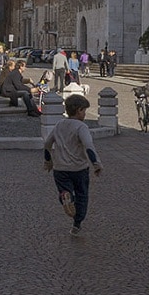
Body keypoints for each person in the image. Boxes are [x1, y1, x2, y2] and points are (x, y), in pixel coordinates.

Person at [43, 96, 101, 236]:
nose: (85, 114)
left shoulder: (59, 124)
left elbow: (47, 143)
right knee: (82, 195)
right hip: (79, 168)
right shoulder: (81, 127)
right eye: (84, 110)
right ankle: (77, 224)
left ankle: (66, 196)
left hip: (60, 168)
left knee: (65, 190)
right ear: (79, 110)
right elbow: (88, 146)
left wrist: (48, 160)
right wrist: (96, 163)